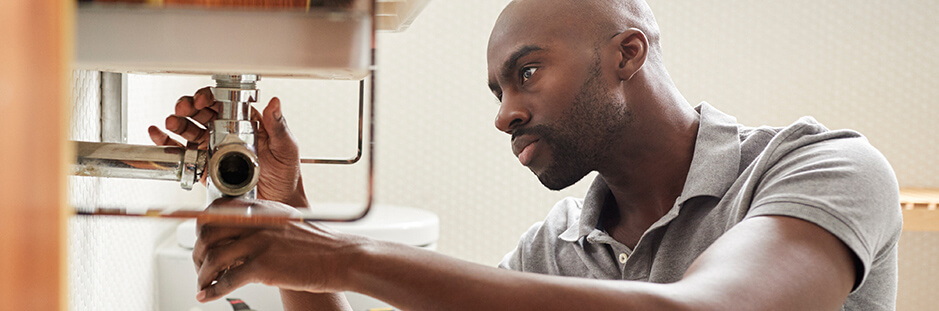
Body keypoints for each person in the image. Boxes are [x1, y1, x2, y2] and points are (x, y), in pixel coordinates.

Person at [149, 0, 902, 309]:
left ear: (627, 54)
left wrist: (333, 255)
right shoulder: (554, 252)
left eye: (527, 72)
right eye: (496, 90)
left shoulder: (822, 166)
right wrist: (291, 218)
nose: (506, 112)